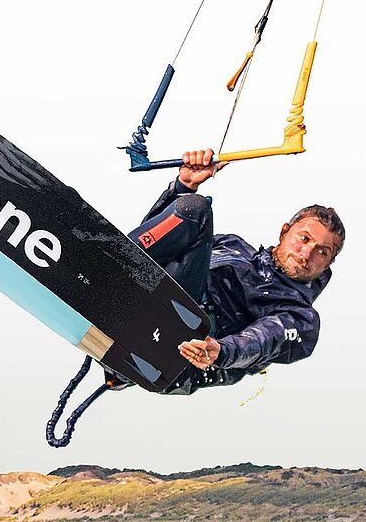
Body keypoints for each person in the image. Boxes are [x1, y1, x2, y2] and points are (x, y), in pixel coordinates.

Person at [116, 148, 345, 394]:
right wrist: (184, 186)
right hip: (142, 306)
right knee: (191, 210)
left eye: (322, 252)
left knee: (197, 209)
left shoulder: (300, 318)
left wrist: (222, 351)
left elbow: (265, 339)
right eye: (304, 238)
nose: (307, 253)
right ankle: (110, 269)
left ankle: (115, 270)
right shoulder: (231, 246)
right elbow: (158, 245)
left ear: (328, 264)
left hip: (179, 354)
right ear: (284, 232)